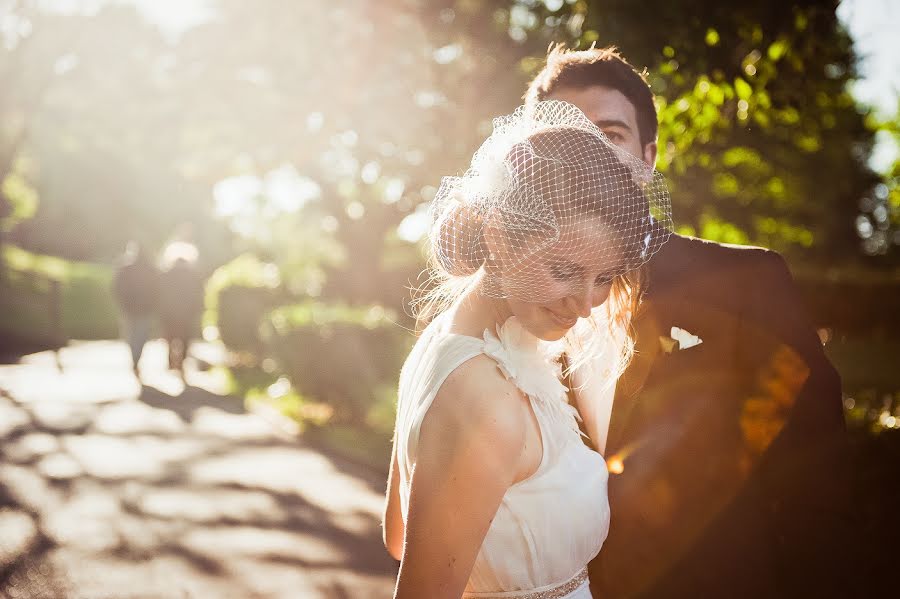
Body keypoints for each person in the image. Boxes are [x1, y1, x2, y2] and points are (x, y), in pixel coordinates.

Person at [525, 46, 849, 598]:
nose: (590, 160)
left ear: (649, 157)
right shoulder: (526, 306)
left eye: (611, 135)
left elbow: (815, 486)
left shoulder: (749, 281)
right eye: (567, 142)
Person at [382, 101, 673, 598]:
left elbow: (398, 534)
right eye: (564, 271)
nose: (585, 305)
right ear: (498, 236)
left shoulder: (447, 339)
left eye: (603, 278)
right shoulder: (487, 398)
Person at [112, 241, 160, 378]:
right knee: (140, 336)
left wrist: (122, 303)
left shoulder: (125, 268)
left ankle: (134, 358)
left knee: (130, 335)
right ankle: (136, 358)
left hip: (129, 309)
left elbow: (117, 287)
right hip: (144, 309)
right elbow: (157, 290)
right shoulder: (151, 269)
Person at [158, 239, 205, 377]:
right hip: (187, 313)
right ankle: (181, 362)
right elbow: (198, 294)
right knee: (185, 338)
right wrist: (197, 309)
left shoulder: (166, 274)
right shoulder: (193, 275)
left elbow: (160, 293)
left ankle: (171, 360)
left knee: (170, 337)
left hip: (170, 313)